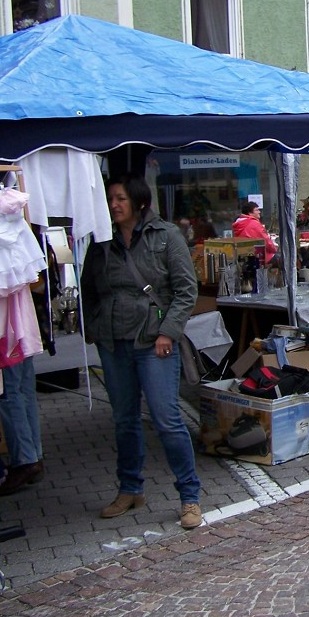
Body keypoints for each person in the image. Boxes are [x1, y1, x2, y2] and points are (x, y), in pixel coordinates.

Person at [81, 175, 202, 529]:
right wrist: (94, 327)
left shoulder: (166, 236)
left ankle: (189, 496)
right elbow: (89, 289)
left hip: (154, 342)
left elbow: (185, 291)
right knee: (124, 420)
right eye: (110, 199)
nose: (113, 204)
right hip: (113, 342)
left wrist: (168, 332)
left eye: (119, 198)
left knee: (167, 420)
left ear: (137, 201)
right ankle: (130, 489)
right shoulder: (102, 240)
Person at [0, 358, 45, 495]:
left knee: (9, 390)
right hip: (23, 338)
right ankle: (34, 456)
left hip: (5, 339)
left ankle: (25, 459)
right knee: (24, 387)